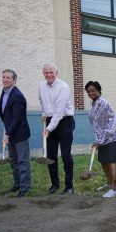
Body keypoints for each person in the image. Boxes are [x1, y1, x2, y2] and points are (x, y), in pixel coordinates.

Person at [39, 63, 75, 195]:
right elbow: (42, 101)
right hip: (50, 120)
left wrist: (48, 129)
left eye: (51, 72)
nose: (49, 75)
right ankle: (55, 184)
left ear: (56, 73)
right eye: (46, 73)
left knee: (66, 155)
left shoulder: (63, 87)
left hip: (64, 121)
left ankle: (69, 186)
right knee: (50, 156)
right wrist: (44, 114)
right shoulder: (41, 86)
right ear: (43, 74)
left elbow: (59, 112)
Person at [85, 81, 116, 198]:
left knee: (111, 160)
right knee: (103, 160)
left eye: (93, 90)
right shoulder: (93, 103)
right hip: (103, 135)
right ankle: (109, 183)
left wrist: (99, 141)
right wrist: (98, 139)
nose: (91, 93)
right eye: (88, 91)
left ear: (98, 91)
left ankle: (115, 188)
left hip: (112, 134)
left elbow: (104, 124)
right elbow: (97, 125)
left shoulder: (102, 103)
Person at [0, 69, 31, 198]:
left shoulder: (17, 96)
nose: (5, 80)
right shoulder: (4, 91)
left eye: (8, 78)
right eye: (4, 77)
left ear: (14, 80)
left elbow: (17, 118)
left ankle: (24, 188)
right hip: (10, 132)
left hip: (20, 134)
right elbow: (4, 112)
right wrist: (7, 129)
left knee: (22, 161)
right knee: (13, 161)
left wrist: (7, 133)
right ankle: (17, 184)